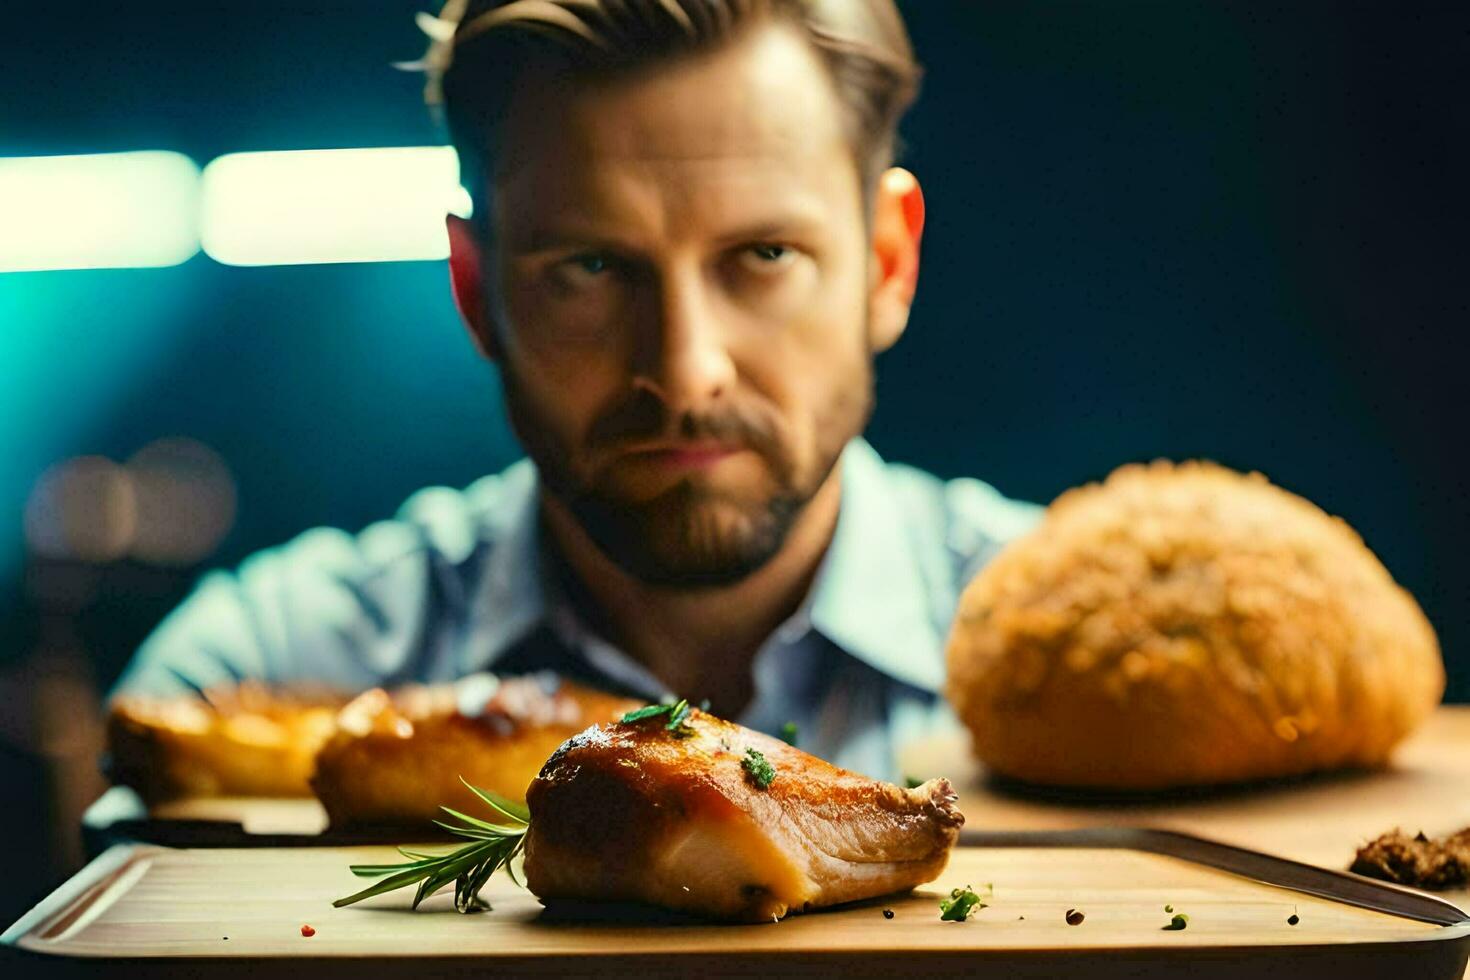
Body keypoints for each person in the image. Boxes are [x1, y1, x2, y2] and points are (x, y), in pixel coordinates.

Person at [114, 0, 1040, 780]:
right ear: (478, 294)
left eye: (764, 256)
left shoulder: (1128, 681)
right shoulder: (254, 680)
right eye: (591, 268)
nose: (684, 371)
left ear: (887, 264)